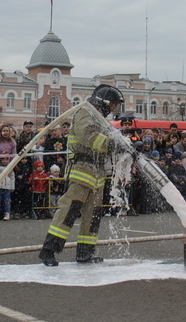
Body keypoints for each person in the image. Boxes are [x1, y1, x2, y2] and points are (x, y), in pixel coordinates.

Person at [39, 84, 130, 266]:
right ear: (103, 102)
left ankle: (85, 253)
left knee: (93, 215)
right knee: (69, 210)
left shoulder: (100, 119)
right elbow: (88, 136)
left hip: (97, 171)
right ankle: (49, 250)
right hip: (82, 168)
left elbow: (109, 139)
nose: (113, 108)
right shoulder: (85, 113)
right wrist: (112, 144)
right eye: (112, 104)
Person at [0, 154, 15, 221]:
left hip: (7, 187)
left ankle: (7, 213)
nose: (5, 161)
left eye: (6, 159)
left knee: (7, 201)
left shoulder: (10, 168)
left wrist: (12, 187)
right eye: (3, 159)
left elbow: (12, 178)